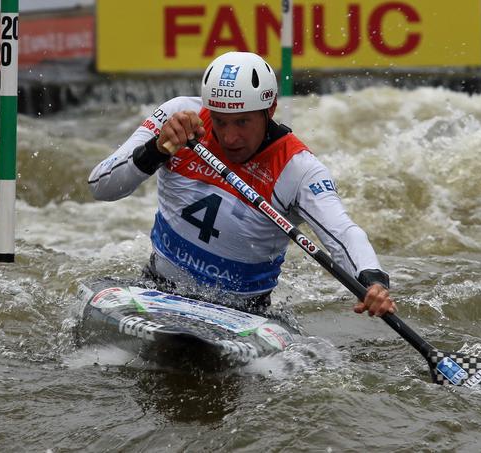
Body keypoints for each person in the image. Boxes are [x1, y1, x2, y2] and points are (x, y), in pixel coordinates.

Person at [88, 51, 395, 318]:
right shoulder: (180, 118)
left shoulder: (297, 169)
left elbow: (343, 232)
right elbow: (100, 185)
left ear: (270, 109)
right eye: (220, 121)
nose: (230, 137)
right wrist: (158, 148)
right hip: (158, 287)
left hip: (243, 312)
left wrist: (373, 282)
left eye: (243, 122)